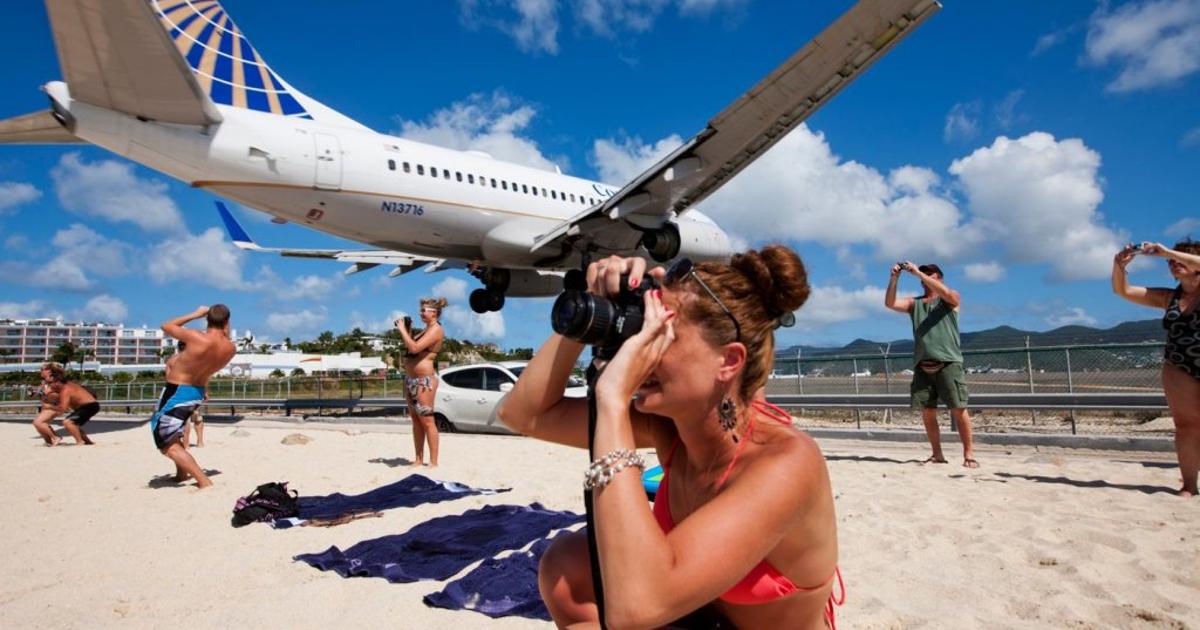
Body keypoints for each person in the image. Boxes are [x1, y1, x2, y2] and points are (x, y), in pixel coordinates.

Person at [498, 246, 842, 629]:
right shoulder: (672, 427)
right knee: (566, 564)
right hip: (703, 616)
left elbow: (636, 610)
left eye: (663, 335)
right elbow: (524, 414)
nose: (641, 349)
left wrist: (611, 400)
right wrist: (594, 310)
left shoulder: (787, 463)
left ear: (728, 361)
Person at [1112, 239, 1200, 497]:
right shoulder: (1169, 297)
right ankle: (1189, 485)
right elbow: (1124, 291)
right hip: (1179, 365)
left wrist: (1166, 252)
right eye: (1171, 261)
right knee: (1186, 426)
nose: (1174, 262)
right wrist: (1119, 265)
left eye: (1183, 259)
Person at [885, 261, 979, 468]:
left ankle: (969, 454)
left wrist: (917, 272)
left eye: (930, 275)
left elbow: (947, 294)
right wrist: (894, 279)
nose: (925, 279)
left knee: (958, 408)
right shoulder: (915, 304)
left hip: (948, 363)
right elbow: (890, 303)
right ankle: (937, 453)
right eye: (923, 276)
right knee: (927, 412)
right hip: (923, 365)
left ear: (940, 278)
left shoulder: (950, 299)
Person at [155, 305, 236, 489]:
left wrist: (195, 314)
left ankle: (203, 480)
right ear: (226, 322)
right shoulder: (229, 348)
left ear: (207, 320)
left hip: (177, 391)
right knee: (174, 433)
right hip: (196, 393)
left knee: (165, 441)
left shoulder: (196, 337)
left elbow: (166, 325)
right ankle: (181, 473)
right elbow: (223, 336)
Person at [395, 298, 447, 467]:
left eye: (424, 310)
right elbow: (412, 346)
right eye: (421, 310)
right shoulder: (425, 331)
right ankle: (418, 459)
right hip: (411, 379)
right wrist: (408, 331)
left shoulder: (436, 329)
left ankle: (433, 461)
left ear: (434, 313)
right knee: (416, 421)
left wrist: (402, 330)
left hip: (424, 381)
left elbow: (415, 349)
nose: (421, 313)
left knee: (427, 420)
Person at [169, 342, 207, 449]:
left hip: (180, 392)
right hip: (195, 391)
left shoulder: (173, 361)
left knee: (185, 420)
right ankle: (200, 442)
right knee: (198, 418)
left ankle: (186, 445)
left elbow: (169, 379)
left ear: (178, 348)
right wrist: (205, 391)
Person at [48, 378, 100, 445]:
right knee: (74, 424)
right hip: (89, 406)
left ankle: (80, 441)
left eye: (50, 383)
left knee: (68, 422)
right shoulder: (68, 386)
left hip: (89, 406)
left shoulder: (65, 389)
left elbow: (63, 408)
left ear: (57, 382)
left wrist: (49, 407)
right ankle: (87, 441)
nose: (50, 385)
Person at [30, 363, 66, 446]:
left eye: (42, 370)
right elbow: (38, 393)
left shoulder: (55, 380)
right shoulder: (44, 382)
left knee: (38, 422)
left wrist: (43, 393)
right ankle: (48, 441)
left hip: (54, 406)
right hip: (47, 406)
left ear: (49, 371)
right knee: (40, 424)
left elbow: (54, 393)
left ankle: (56, 437)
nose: (41, 371)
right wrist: (33, 393)